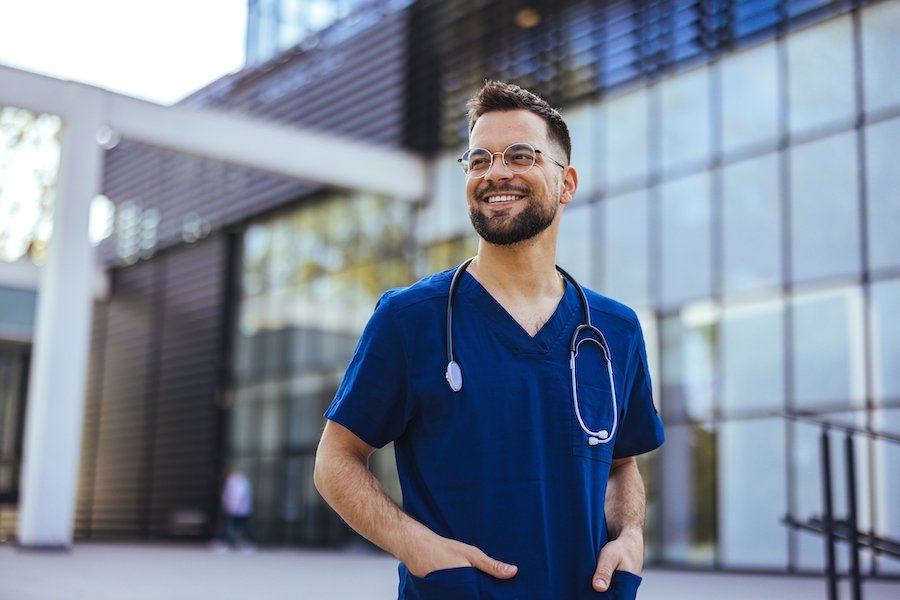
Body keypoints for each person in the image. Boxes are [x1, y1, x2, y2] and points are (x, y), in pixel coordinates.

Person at [314, 80, 664, 599]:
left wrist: (631, 536)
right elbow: (335, 461)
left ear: (566, 183)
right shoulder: (410, 319)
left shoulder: (615, 329)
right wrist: (417, 547)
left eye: (519, 155)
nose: (495, 172)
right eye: (479, 160)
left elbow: (621, 465)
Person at [220, 467, 253, 550]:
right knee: (229, 526)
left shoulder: (243, 482)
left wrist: (237, 506)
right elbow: (226, 494)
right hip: (231, 509)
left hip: (241, 510)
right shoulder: (230, 482)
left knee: (241, 527)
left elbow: (243, 496)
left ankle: (244, 543)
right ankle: (228, 543)